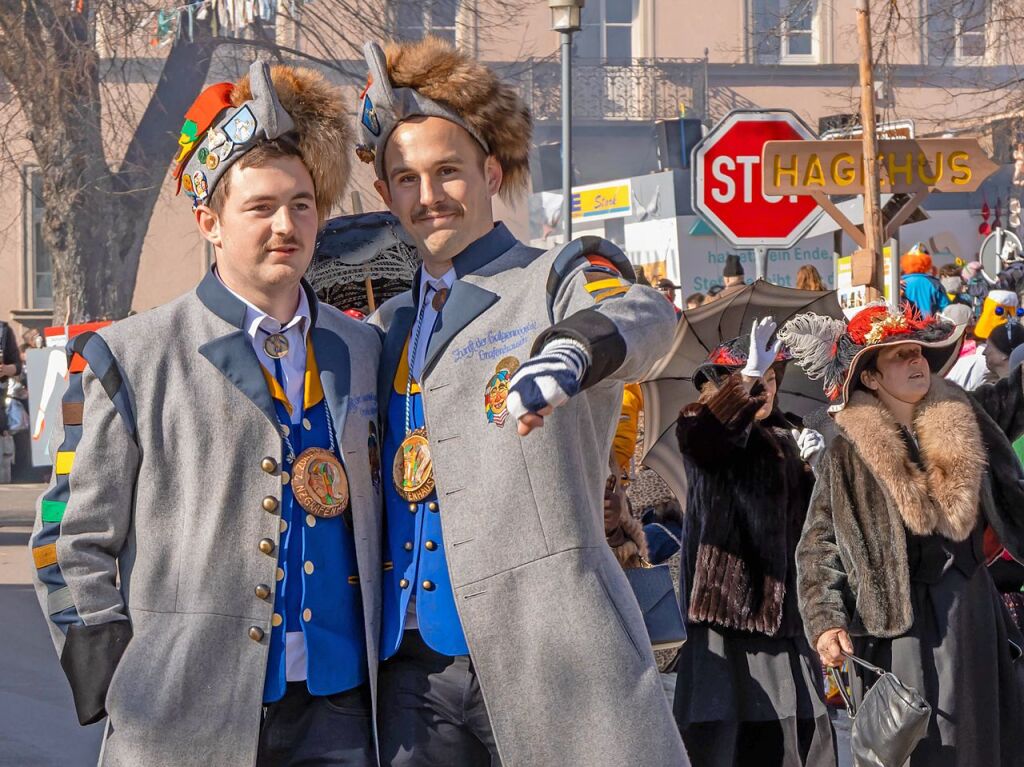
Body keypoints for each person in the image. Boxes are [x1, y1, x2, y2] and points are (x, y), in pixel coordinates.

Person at [29, 62, 383, 766]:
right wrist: (123, 679)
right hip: (183, 719)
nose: (287, 226)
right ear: (210, 222)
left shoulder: (364, 348)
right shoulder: (129, 357)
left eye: (303, 204)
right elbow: (65, 540)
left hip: (341, 719)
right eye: (261, 208)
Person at [357, 37, 686, 767]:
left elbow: (644, 315)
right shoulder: (385, 328)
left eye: (448, 171)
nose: (428, 194)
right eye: (405, 178)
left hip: (546, 650)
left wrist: (573, 350)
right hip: (412, 672)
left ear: (491, 172)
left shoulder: (555, 276)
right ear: (385, 196)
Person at [784, 302, 1024, 767]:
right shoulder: (847, 453)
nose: (916, 361)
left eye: (918, 352)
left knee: (983, 743)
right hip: (899, 626)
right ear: (870, 377)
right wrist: (827, 621)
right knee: (923, 745)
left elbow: (1017, 396)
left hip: (972, 612)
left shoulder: (964, 411)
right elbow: (818, 545)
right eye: (899, 356)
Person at [673, 320, 835, 767]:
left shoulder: (793, 435)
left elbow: (815, 528)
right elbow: (709, 440)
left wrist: (817, 468)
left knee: (800, 744)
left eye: (768, 379)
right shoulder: (697, 424)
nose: (764, 388)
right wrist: (745, 383)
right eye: (752, 378)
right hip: (726, 616)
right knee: (723, 745)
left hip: (787, 619)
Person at [899, 243, 949, 318]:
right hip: (930, 327)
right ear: (927, 263)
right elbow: (945, 307)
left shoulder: (900, 283)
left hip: (905, 326)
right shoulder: (934, 283)